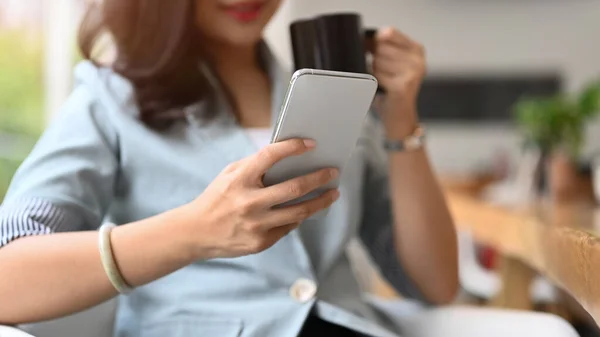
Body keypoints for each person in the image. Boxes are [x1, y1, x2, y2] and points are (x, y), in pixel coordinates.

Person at [0, 0, 458, 336]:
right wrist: (193, 233)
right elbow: (9, 282)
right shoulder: (109, 99)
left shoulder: (332, 94)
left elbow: (434, 284)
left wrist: (402, 118)